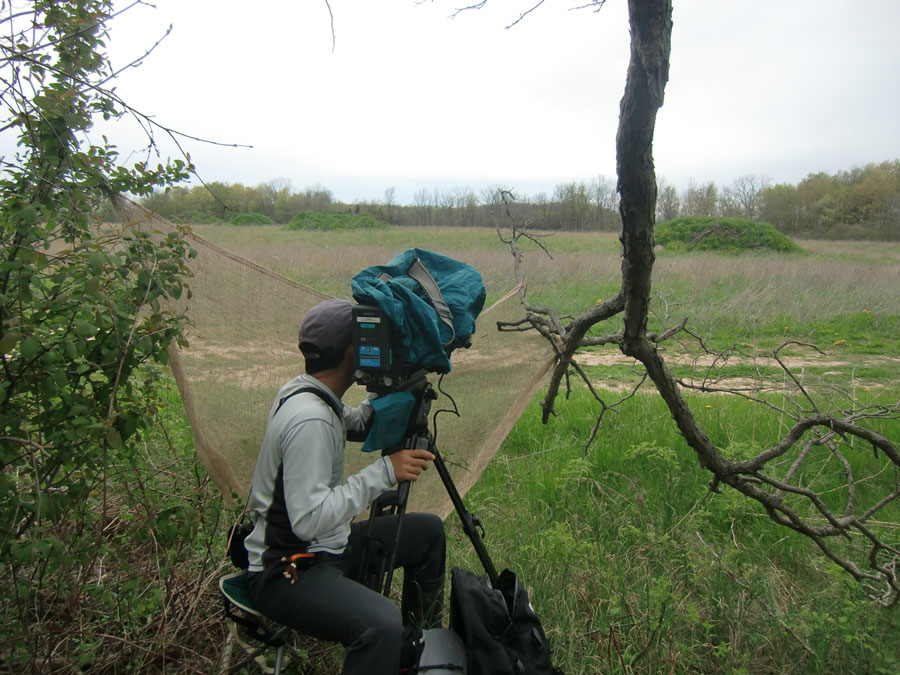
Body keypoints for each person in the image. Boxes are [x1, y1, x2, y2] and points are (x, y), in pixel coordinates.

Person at [244, 298, 446, 675]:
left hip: (326, 548)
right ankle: (395, 646)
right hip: (290, 570)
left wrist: (395, 389)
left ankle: (420, 652)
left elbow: (355, 423)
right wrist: (386, 470)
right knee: (380, 623)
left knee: (428, 533)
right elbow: (307, 520)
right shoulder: (310, 420)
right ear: (354, 351)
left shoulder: (309, 394)